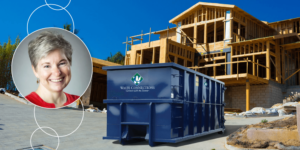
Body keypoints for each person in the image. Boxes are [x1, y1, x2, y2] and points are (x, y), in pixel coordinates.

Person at [25, 31, 79, 108]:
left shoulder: (77, 101)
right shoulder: (26, 104)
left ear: (69, 63)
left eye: (62, 63)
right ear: (35, 70)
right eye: (47, 66)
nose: (57, 73)